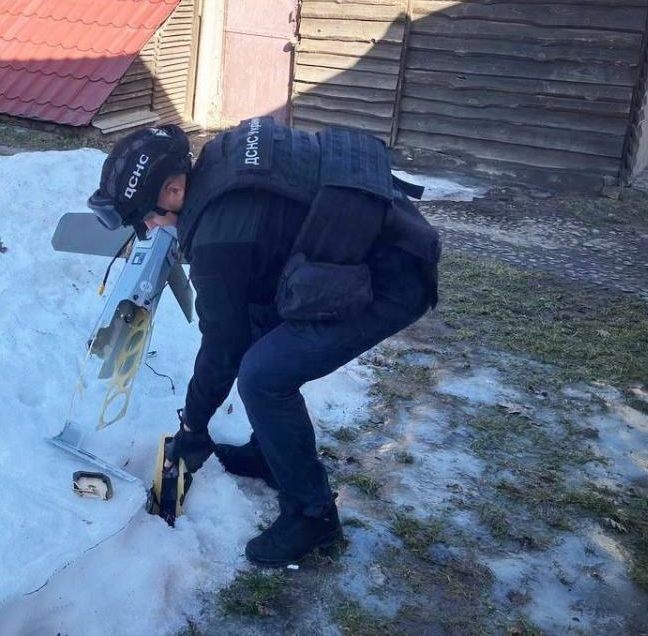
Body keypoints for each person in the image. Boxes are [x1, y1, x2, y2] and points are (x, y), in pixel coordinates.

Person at [87, 119, 440, 566]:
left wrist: (193, 428)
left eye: (147, 217)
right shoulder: (216, 165)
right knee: (259, 323)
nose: (149, 228)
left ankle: (312, 515)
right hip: (387, 234)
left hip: (391, 279)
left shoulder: (219, 240)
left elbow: (222, 349)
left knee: (264, 376)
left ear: (174, 191)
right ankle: (272, 453)